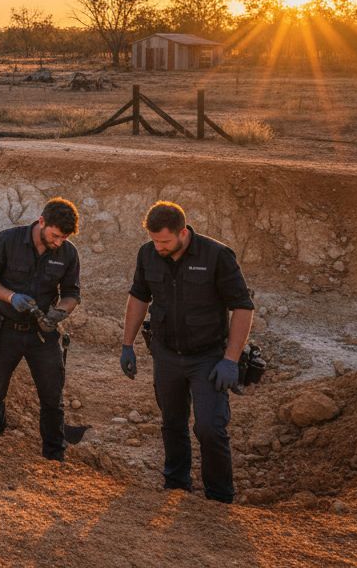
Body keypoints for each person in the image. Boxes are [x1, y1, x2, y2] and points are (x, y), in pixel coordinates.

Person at [119, 201, 254, 503]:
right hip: (166, 354)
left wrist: (230, 360)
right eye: (154, 240)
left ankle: (219, 496)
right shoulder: (147, 254)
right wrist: (127, 345)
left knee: (209, 427)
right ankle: (176, 484)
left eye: (164, 241)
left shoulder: (217, 256)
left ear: (183, 232)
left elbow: (243, 308)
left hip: (208, 357)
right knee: (172, 422)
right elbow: (138, 298)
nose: (159, 247)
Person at [0, 197, 81, 461]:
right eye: (55, 236)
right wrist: (11, 297)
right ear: (41, 221)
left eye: (63, 238)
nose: (58, 243)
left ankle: (54, 458)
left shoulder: (68, 253)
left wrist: (60, 312)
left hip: (42, 334)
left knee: (51, 397)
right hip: (5, 329)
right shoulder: (8, 240)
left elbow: (71, 294)